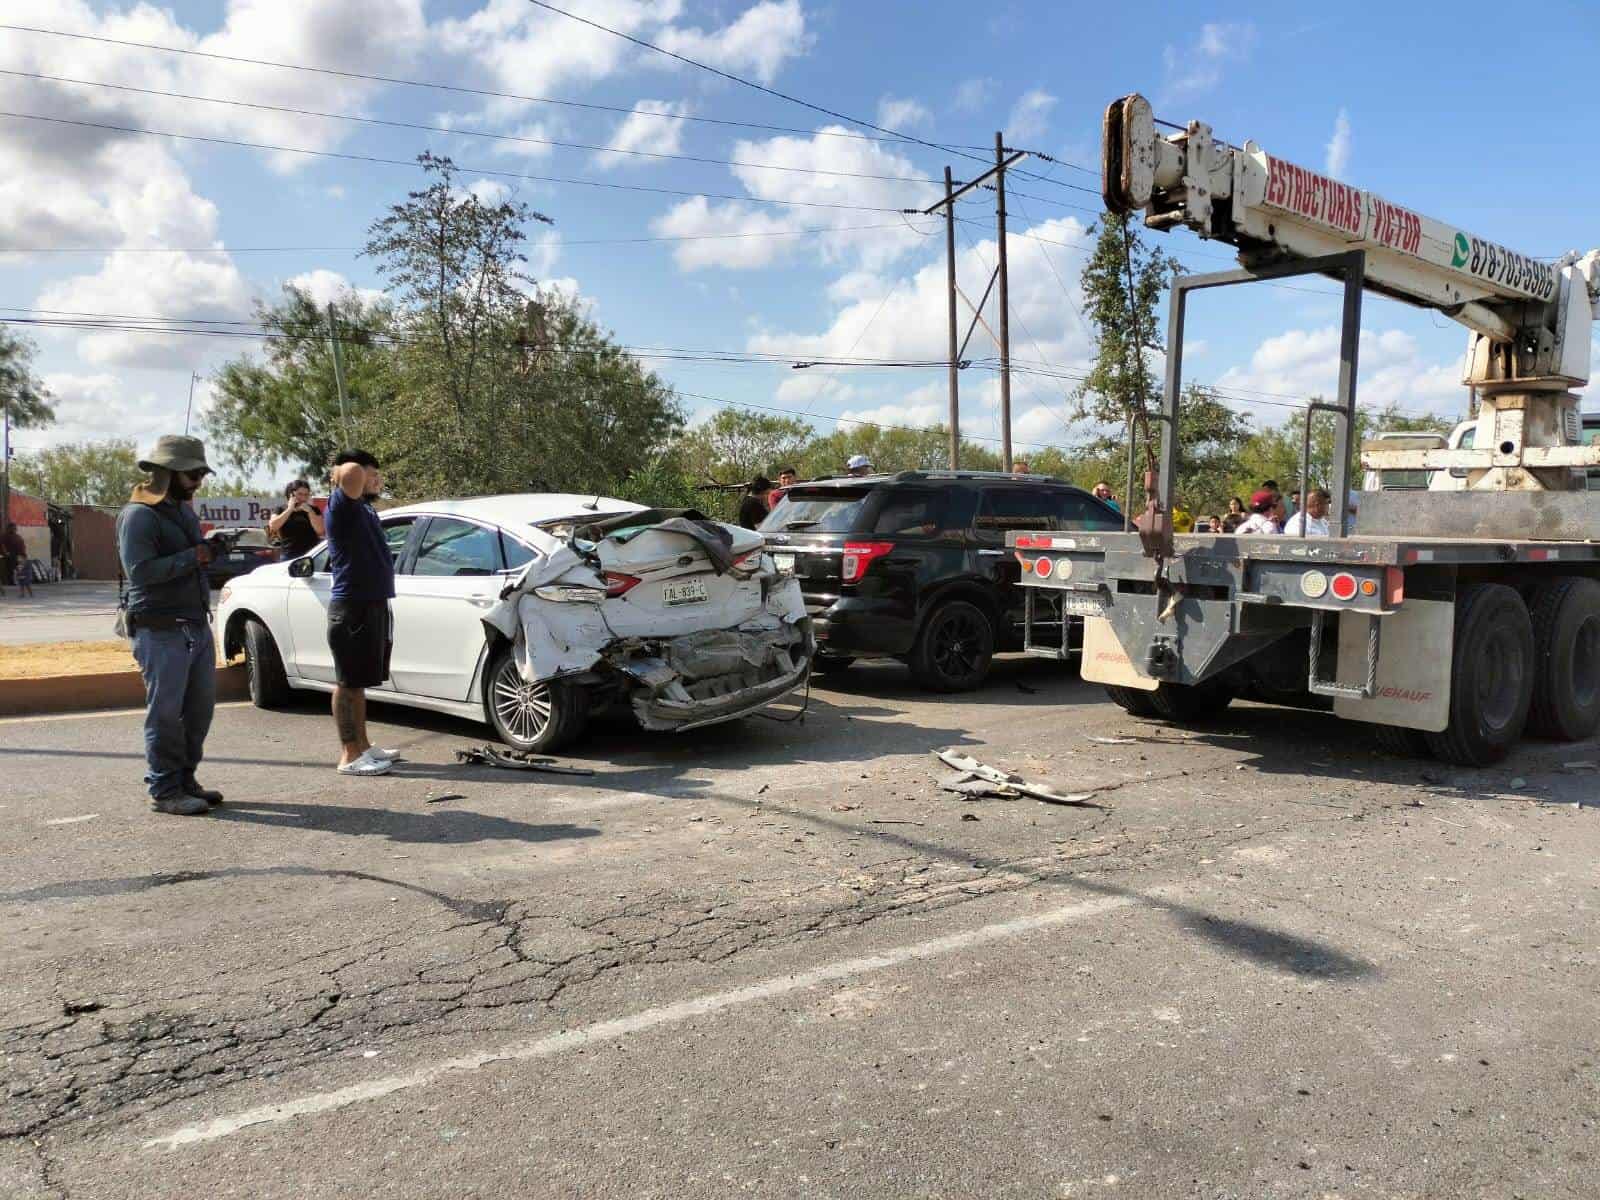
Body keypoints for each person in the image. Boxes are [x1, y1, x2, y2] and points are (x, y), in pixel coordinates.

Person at [115, 436, 222, 816]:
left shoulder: (182, 511)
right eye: (193, 473)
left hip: (193, 624)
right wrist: (192, 555)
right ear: (170, 472)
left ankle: (185, 779)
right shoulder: (139, 515)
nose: (199, 480)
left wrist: (209, 552)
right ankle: (164, 789)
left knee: (198, 712)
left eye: (201, 473)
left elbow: (191, 560)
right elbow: (140, 572)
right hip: (159, 628)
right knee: (165, 713)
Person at [324, 449, 399, 777]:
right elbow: (351, 471)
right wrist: (345, 468)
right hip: (351, 605)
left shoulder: (365, 510)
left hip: (371, 603)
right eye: (371, 473)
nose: (376, 478)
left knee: (359, 683)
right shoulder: (342, 505)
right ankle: (349, 755)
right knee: (347, 682)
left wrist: (364, 473)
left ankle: (364, 747)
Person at [267, 478, 326, 560]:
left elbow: (321, 531)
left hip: (311, 555)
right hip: (289, 555)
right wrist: (289, 509)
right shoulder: (280, 509)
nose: (303, 498)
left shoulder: (314, 510)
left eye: (306, 495)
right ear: (291, 494)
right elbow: (273, 526)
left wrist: (310, 512)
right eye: (300, 494)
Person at [1, 522, 27, 598]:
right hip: (12, 556)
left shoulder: (17, 537)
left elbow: (22, 546)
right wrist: (6, 553)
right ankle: (11, 582)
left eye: (15, 528)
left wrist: (23, 554)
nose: (15, 529)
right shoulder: (5, 536)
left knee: (18, 570)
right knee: (13, 570)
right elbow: (2, 545)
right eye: (13, 528)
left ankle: (16, 582)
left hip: (17, 555)